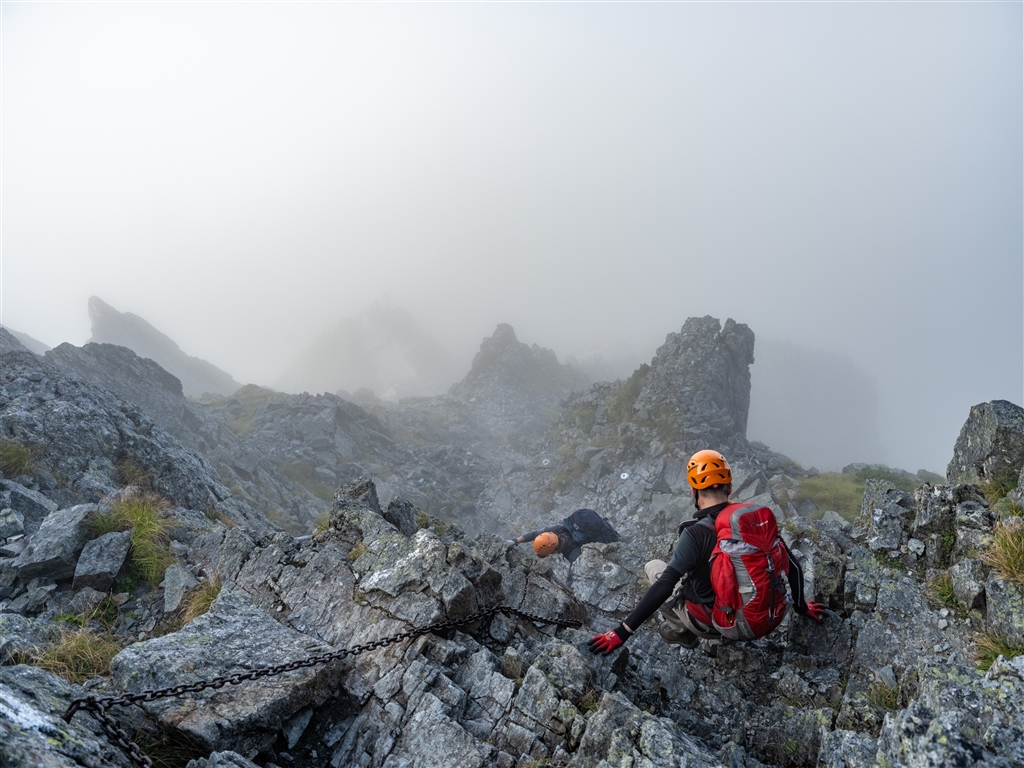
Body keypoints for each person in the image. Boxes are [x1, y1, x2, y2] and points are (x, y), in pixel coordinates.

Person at [588, 449, 824, 657]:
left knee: (654, 568)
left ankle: (684, 632)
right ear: (729, 487)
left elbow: (665, 586)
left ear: (694, 491)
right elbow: (793, 566)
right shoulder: (752, 522)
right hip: (763, 619)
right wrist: (802, 607)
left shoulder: (695, 534)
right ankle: (717, 641)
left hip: (715, 621)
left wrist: (622, 632)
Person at [509, 508, 620, 564]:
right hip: (602, 526)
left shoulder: (573, 553)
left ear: (551, 551)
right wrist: (515, 541)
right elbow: (534, 534)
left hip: (610, 542)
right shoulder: (558, 529)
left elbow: (579, 570)